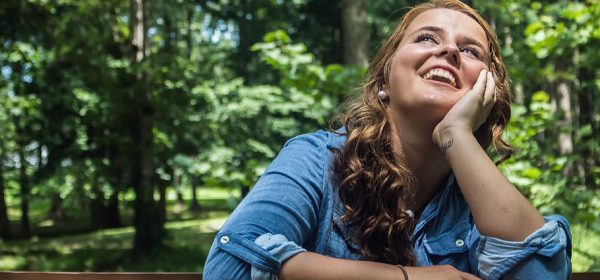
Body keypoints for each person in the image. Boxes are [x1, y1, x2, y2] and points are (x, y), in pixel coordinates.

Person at [203, 0, 572, 279]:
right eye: (427, 37)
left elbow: (541, 273)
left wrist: (456, 134)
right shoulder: (316, 159)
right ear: (383, 82)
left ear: (487, 90)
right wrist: (412, 277)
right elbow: (230, 264)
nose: (448, 51)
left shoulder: (481, 204)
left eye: (470, 50)